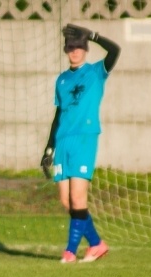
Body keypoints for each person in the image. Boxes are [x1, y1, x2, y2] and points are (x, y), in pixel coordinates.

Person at [41, 24, 120, 264]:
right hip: (63, 142)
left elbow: (115, 51)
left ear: (85, 49)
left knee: (78, 199)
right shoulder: (62, 80)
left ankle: (70, 251)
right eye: (70, 47)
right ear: (66, 50)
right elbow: (58, 115)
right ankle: (96, 244)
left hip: (84, 139)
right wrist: (49, 149)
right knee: (67, 201)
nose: (74, 51)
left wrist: (94, 35)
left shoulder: (96, 72)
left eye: (78, 46)